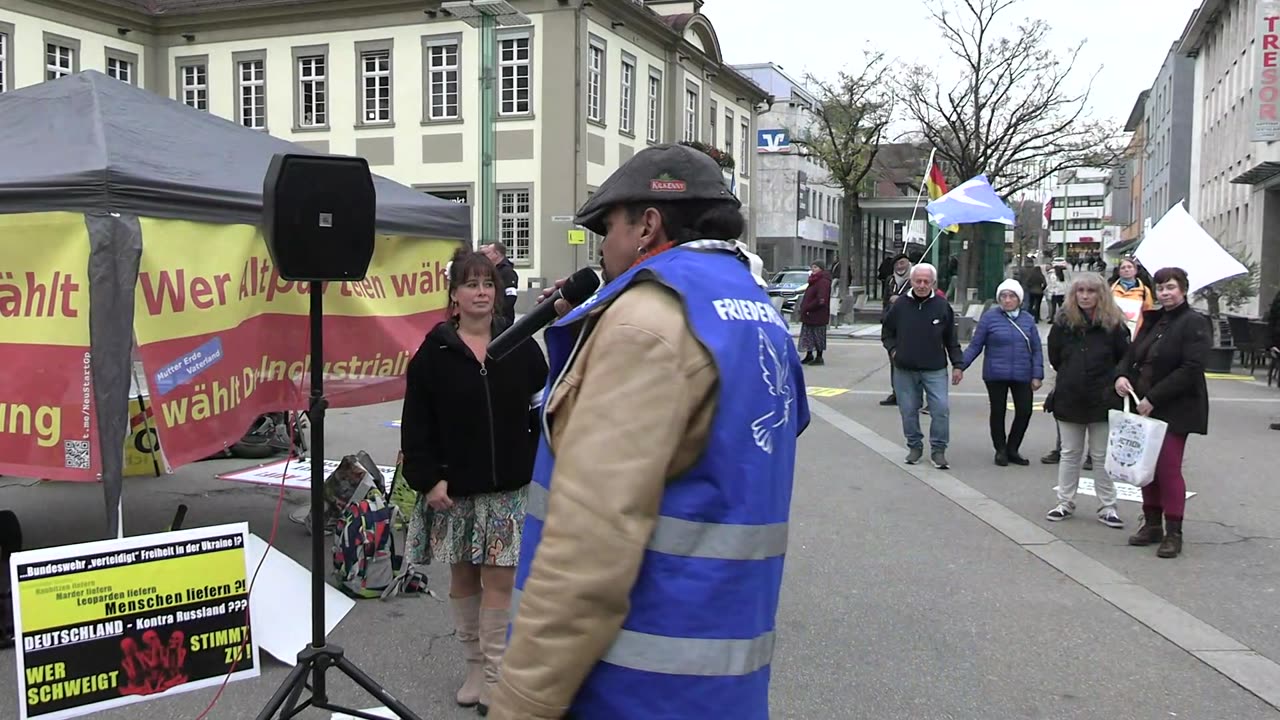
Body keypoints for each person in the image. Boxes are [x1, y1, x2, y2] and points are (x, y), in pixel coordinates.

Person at [487, 143, 809, 720]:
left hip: (634, 689)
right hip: (723, 682)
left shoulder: (646, 325)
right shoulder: (754, 310)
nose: (601, 249)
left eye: (606, 228)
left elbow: (588, 550)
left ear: (647, 226)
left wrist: (520, 704)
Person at [399, 248, 549, 711]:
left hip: (507, 490)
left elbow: (542, 408)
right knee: (463, 578)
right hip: (454, 491)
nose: (482, 292)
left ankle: (495, 673)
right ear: (454, 296)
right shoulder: (433, 354)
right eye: (471, 284)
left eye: (488, 284)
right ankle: (472, 664)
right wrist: (429, 480)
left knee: (500, 581)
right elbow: (416, 426)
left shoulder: (521, 345)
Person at [1115, 266, 1210, 559]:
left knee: (1168, 469)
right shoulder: (1154, 320)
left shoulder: (1195, 322)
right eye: (1161, 287)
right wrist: (1121, 375)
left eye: (1171, 287)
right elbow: (1132, 354)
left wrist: (1154, 397)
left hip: (1175, 406)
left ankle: (1173, 532)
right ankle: (1152, 524)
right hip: (1144, 403)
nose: (1165, 293)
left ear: (1183, 289)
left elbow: (1191, 368)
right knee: (1147, 470)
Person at [1043, 273, 1130, 528]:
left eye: (1090, 291)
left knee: (1102, 455)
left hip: (1103, 396)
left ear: (1100, 294)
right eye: (1080, 291)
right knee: (1070, 453)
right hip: (1070, 393)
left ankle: (1108, 506)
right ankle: (1065, 501)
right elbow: (1056, 356)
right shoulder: (1063, 322)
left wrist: (1117, 379)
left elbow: (1125, 357)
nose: (1084, 296)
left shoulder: (1114, 324)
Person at [882, 263, 963, 469]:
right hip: (904, 369)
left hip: (934, 369)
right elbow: (887, 332)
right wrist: (893, 351)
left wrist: (958, 365)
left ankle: (938, 450)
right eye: (918, 281)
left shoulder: (942, 306)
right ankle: (914, 446)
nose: (922, 285)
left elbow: (951, 340)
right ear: (911, 281)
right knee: (908, 410)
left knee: (941, 409)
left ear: (933, 283)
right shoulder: (900, 305)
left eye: (926, 281)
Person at [960, 279, 1044, 466]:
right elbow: (975, 346)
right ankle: (1000, 450)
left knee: (1025, 411)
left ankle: (1013, 448)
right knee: (998, 412)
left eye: (1011, 296)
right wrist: (960, 366)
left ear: (1019, 299)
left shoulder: (1028, 320)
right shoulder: (989, 318)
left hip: (1023, 373)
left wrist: (1037, 375)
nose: (1007, 300)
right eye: (1003, 296)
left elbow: (1037, 349)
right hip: (995, 373)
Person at [879, 253, 913, 406]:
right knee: (894, 359)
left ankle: (912, 393)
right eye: (898, 264)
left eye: (903, 263)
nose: (901, 266)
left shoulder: (914, 280)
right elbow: (885, 301)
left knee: (911, 361)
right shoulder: (890, 280)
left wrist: (901, 299)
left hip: (909, 326)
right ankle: (896, 392)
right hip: (892, 326)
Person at [1110, 257, 1155, 337]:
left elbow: (1148, 312)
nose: (1126, 270)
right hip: (1113, 330)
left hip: (1136, 331)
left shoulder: (1145, 290)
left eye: (1129, 267)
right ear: (1119, 272)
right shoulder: (1110, 289)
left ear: (1135, 270)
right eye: (1123, 268)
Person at [799, 260, 832, 365]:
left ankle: (819, 357)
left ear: (821, 269)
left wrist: (809, 307)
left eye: (815, 267)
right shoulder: (813, 280)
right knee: (808, 335)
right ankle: (809, 355)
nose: (813, 269)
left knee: (818, 336)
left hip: (818, 314)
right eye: (812, 267)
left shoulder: (823, 281)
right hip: (809, 314)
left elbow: (821, 299)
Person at [482, 241, 520, 326]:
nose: (486, 256)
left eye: (488, 253)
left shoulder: (507, 272)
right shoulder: (493, 270)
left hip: (503, 317)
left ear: (497, 254)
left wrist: (498, 311)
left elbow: (511, 297)